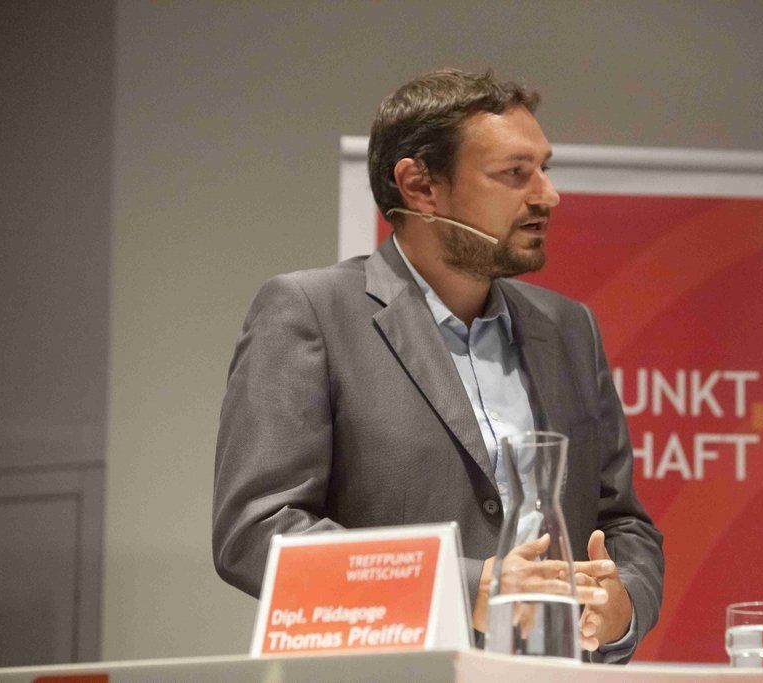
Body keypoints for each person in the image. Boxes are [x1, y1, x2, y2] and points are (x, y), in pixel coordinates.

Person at [212, 69, 663, 663]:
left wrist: (623, 607)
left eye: (544, 168)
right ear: (420, 186)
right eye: (515, 173)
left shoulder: (568, 327)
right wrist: (463, 586)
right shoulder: (311, 312)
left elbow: (623, 523)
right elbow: (257, 531)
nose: (547, 195)